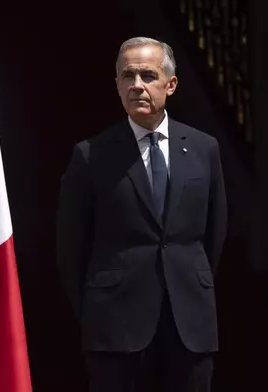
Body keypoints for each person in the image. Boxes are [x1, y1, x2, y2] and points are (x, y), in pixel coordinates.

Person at [56, 37, 227, 392]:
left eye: (148, 75)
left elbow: (214, 233)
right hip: (115, 324)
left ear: (171, 84)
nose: (137, 86)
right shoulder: (91, 155)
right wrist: (97, 309)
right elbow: (71, 247)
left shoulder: (203, 149)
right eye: (127, 76)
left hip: (189, 321)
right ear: (117, 85)